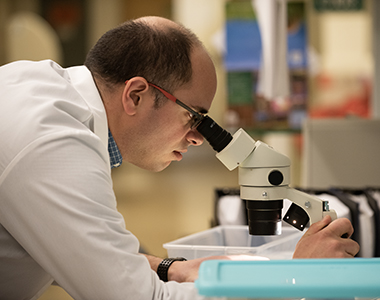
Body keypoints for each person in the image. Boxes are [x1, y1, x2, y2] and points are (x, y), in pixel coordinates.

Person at [0, 16, 359, 299]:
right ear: (136, 95)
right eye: (195, 116)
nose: (199, 138)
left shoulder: (40, 89)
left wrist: (169, 268)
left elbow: (86, 254)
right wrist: (294, 276)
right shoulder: (55, 145)